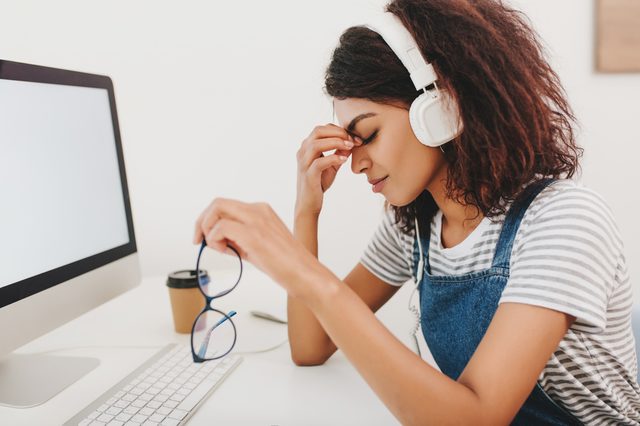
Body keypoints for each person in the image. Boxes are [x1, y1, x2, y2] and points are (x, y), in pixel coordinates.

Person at [193, 0, 640, 424]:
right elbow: (310, 346)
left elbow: (479, 417)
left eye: (367, 134)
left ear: (441, 107)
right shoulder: (415, 228)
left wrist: (297, 267)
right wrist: (306, 211)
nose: (356, 163)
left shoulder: (565, 220)